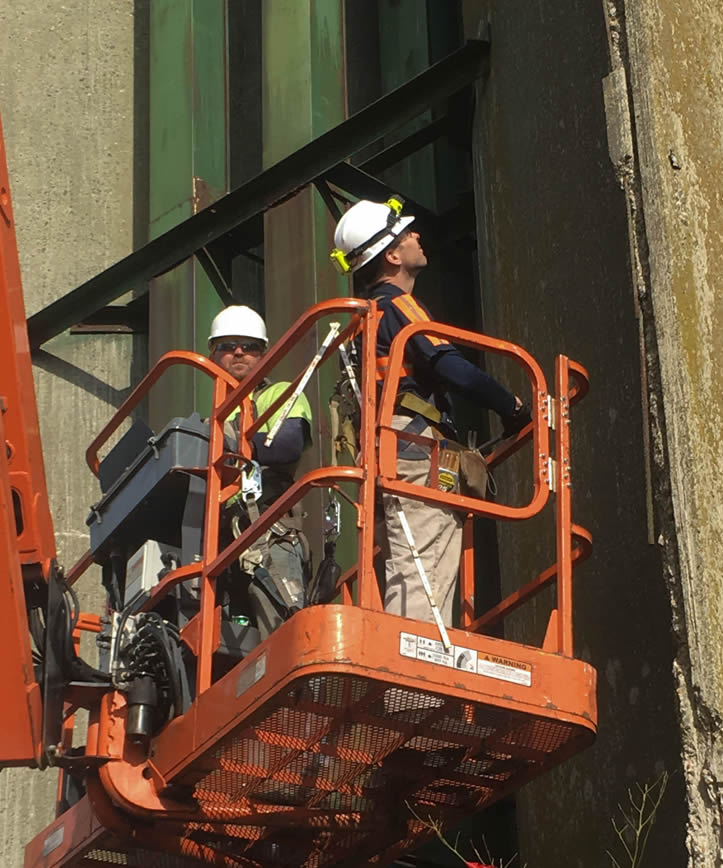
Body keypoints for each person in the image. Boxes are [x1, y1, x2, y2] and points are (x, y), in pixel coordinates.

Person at [330, 198, 531, 625]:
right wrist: (510, 406)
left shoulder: (363, 320)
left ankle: (404, 647)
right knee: (425, 557)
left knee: (406, 560)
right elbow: (449, 365)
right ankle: (416, 657)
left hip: (385, 452)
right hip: (414, 447)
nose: (418, 236)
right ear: (392, 254)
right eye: (407, 234)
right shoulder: (399, 306)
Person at [208, 305, 313, 635]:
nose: (239, 352)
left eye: (249, 346)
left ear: (264, 353)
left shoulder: (278, 394)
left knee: (279, 625)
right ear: (213, 354)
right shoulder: (212, 418)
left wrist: (228, 448)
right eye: (227, 345)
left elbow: (286, 444)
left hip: (268, 528)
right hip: (221, 543)